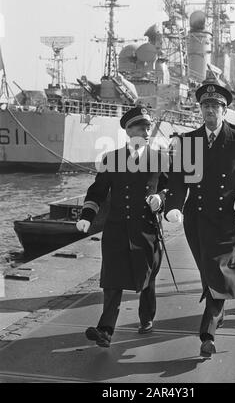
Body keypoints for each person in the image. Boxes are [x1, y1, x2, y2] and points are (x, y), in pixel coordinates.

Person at [164, 79, 235, 357]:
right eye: (206, 106)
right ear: (200, 109)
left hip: (226, 220)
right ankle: (217, 313)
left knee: (218, 272)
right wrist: (173, 205)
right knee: (209, 274)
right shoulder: (188, 141)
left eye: (216, 106)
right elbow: (177, 179)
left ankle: (207, 333)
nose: (210, 111)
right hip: (196, 221)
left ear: (224, 110)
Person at [76, 106, 167, 348]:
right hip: (116, 229)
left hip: (146, 230)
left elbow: (170, 189)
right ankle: (105, 330)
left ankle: (146, 317)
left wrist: (162, 199)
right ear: (128, 130)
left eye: (148, 126)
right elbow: (97, 191)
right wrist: (87, 215)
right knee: (112, 281)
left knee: (147, 278)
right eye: (140, 127)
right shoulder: (111, 159)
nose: (146, 131)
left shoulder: (160, 159)